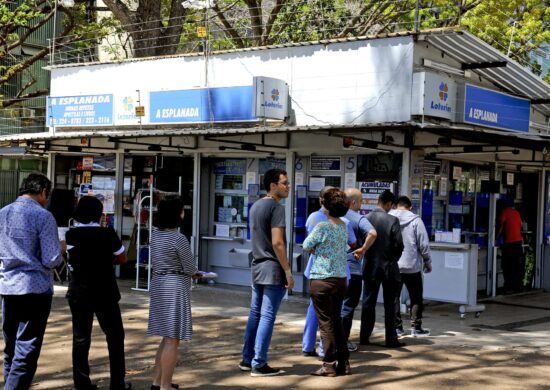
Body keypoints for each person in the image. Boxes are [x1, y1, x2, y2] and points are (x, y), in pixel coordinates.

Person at [0, 173, 63, 389]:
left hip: (8, 286)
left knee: (12, 346)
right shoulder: (44, 216)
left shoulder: (2, 213)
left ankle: (11, 383)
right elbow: (52, 259)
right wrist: (62, 249)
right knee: (27, 347)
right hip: (34, 288)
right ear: (43, 191)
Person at [65, 196, 131, 390]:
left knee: (81, 338)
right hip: (105, 291)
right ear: (99, 213)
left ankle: (82, 383)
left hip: (79, 292)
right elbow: (123, 258)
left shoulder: (71, 235)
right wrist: (105, 261)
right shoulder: (108, 234)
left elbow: (67, 256)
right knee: (115, 336)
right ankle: (117, 383)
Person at [239, 168, 293, 377]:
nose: (288, 187)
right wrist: (288, 271)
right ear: (273, 186)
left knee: (255, 313)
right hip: (272, 268)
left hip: (257, 266)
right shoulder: (276, 208)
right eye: (284, 183)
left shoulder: (256, 206)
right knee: (267, 316)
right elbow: (278, 242)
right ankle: (259, 363)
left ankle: (247, 358)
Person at [148, 196, 199, 390]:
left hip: (159, 283)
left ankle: (157, 381)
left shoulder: (155, 235)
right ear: (177, 214)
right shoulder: (178, 238)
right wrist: (197, 274)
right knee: (172, 338)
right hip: (175, 286)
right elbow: (189, 267)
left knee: (165, 335)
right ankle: (165, 385)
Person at [302, 186, 357, 357]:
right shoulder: (345, 225)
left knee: (319, 315)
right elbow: (352, 244)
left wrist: (318, 250)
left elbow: (306, 245)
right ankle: (337, 356)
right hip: (340, 276)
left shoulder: (316, 221)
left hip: (320, 275)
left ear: (323, 201)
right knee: (335, 318)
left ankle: (314, 349)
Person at [358, 190, 404, 348]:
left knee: (368, 302)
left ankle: (364, 337)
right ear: (389, 204)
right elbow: (399, 245)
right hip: (389, 268)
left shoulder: (365, 219)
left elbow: (359, 243)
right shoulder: (393, 220)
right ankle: (390, 339)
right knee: (390, 304)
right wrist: (393, 259)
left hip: (370, 266)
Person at [389, 196, 432, 338]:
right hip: (412, 265)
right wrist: (427, 261)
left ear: (396, 205)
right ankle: (416, 328)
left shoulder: (388, 218)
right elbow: (423, 244)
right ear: (410, 207)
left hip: (393, 264)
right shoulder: (416, 220)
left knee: (394, 296)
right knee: (416, 296)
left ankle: (397, 328)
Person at [341, 188, 377, 351]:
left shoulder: (332, 216)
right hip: (352, 268)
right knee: (348, 306)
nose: (362, 204)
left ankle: (327, 341)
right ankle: (343, 341)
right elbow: (372, 233)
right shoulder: (357, 218)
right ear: (353, 202)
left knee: (334, 306)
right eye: (361, 201)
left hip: (331, 270)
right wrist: (363, 249)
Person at [496, 199, 524, 292]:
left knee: (507, 264)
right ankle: (517, 285)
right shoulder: (516, 212)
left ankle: (508, 285)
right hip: (518, 242)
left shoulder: (504, 212)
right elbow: (520, 225)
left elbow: (501, 226)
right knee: (516, 264)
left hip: (509, 242)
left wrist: (495, 238)